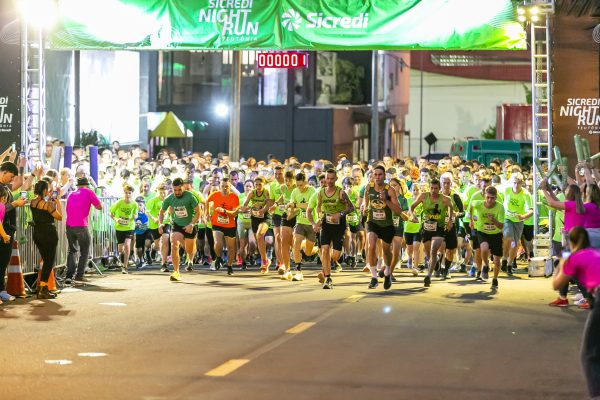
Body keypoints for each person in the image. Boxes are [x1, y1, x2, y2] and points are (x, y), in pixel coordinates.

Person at [552, 227, 600, 398]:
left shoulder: (573, 257)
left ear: (570, 242)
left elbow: (556, 285)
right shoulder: (594, 252)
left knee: (590, 353)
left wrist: (561, 264)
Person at [311, 169, 355, 289]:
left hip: (339, 226)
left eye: (332, 178)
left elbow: (351, 207)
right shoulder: (321, 193)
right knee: (325, 250)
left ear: (336, 179)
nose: (329, 181)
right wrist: (319, 220)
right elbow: (318, 207)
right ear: (325, 179)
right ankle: (327, 278)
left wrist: (339, 214)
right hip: (326, 225)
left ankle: (326, 269)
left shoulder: (341, 193)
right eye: (327, 178)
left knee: (335, 256)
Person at [362, 166, 404, 290]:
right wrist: (364, 207)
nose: (377, 177)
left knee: (386, 251)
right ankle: (374, 277)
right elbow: (365, 201)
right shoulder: (368, 187)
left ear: (385, 176)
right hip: (373, 222)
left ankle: (387, 273)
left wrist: (386, 200)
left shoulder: (389, 190)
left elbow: (398, 210)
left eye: (380, 174)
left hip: (387, 225)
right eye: (375, 174)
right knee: (371, 245)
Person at [409, 178, 454, 287]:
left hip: (438, 227)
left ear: (440, 188)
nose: (433, 190)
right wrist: (413, 215)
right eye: (432, 188)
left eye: (436, 188)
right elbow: (412, 207)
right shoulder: (424, 196)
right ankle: (436, 262)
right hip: (426, 227)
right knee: (429, 254)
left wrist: (449, 221)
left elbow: (451, 208)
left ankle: (428, 276)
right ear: (429, 188)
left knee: (434, 251)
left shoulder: (445, 199)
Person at [158, 178, 201, 282]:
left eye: (179, 190)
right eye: (175, 190)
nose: (177, 192)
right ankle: (176, 272)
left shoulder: (190, 196)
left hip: (190, 225)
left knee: (189, 250)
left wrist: (191, 224)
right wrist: (160, 223)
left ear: (183, 188)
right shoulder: (169, 198)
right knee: (174, 244)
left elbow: (199, 212)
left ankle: (190, 256)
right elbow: (161, 212)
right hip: (177, 225)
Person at [65, 176, 102, 285]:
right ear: (87, 185)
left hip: (69, 225)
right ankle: (79, 275)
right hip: (81, 225)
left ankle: (69, 276)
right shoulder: (89, 192)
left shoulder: (71, 194)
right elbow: (99, 206)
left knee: (72, 251)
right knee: (84, 251)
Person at [30, 181, 62, 299]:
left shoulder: (32, 202)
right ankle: (43, 288)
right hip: (48, 233)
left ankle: (41, 288)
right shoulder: (47, 204)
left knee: (45, 259)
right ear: (44, 191)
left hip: (37, 233)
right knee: (49, 261)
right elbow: (60, 216)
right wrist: (57, 201)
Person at [469, 186, 505, 289]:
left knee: (497, 261)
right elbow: (471, 206)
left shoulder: (500, 207)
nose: (490, 200)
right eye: (488, 197)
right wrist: (471, 220)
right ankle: (485, 264)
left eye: (492, 198)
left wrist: (493, 220)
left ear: (496, 197)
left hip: (496, 234)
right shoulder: (478, 203)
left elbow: (501, 226)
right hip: (482, 232)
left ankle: (495, 279)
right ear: (485, 196)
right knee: (483, 249)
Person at [0, 161, 26, 301]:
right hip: (3, 231)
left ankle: (1, 290)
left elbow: (21, 183)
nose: (12, 180)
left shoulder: (5, 187)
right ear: (4, 172)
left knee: (3, 261)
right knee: (2, 261)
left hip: (7, 230)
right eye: (11, 176)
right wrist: (15, 204)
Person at [240, 176, 273, 273]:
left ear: (263, 184)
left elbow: (269, 204)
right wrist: (248, 207)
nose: (258, 187)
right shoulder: (252, 193)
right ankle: (266, 260)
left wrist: (262, 209)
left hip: (265, 217)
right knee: (259, 240)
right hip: (254, 218)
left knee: (260, 235)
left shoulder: (266, 192)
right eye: (256, 185)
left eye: (260, 184)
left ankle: (264, 261)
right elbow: (245, 204)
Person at [206, 177, 240, 275]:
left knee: (231, 248)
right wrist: (207, 214)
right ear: (220, 186)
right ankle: (218, 258)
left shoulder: (234, 197)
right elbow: (207, 202)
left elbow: (234, 213)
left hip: (230, 225)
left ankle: (229, 266)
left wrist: (224, 211)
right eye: (222, 186)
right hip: (217, 223)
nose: (224, 188)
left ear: (230, 187)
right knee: (217, 242)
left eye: (227, 186)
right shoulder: (215, 194)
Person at [110, 185, 138, 274]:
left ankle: (125, 266)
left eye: (129, 193)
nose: (128, 194)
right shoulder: (119, 202)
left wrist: (134, 217)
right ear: (124, 193)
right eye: (126, 193)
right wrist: (116, 219)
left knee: (127, 244)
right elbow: (110, 212)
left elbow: (136, 214)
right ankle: (122, 259)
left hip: (129, 227)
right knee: (120, 248)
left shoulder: (134, 204)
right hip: (119, 227)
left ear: (132, 194)